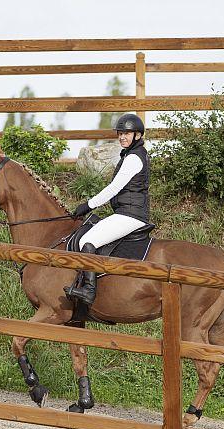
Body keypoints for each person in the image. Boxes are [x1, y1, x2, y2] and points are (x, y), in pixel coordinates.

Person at [64, 113, 150, 305]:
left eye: (127, 133)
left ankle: (89, 291)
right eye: (120, 133)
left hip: (131, 215)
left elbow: (113, 189)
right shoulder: (131, 154)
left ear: (137, 135)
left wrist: (88, 205)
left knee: (87, 240)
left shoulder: (134, 158)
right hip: (126, 213)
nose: (122, 137)